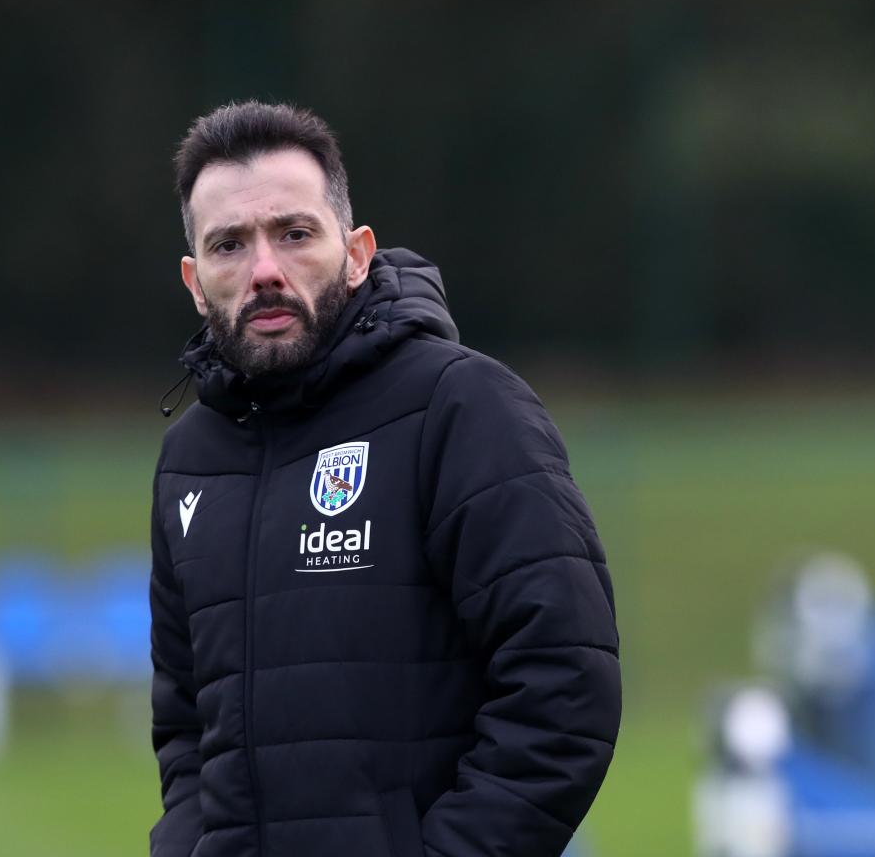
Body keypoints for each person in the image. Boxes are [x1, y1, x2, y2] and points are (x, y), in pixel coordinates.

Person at [148, 101, 621, 857]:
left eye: (295, 234)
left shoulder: (461, 408)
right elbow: (184, 727)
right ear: (195, 283)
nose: (264, 269)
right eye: (229, 245)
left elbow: (564, 690)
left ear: (359, 251)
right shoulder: (189, 459)